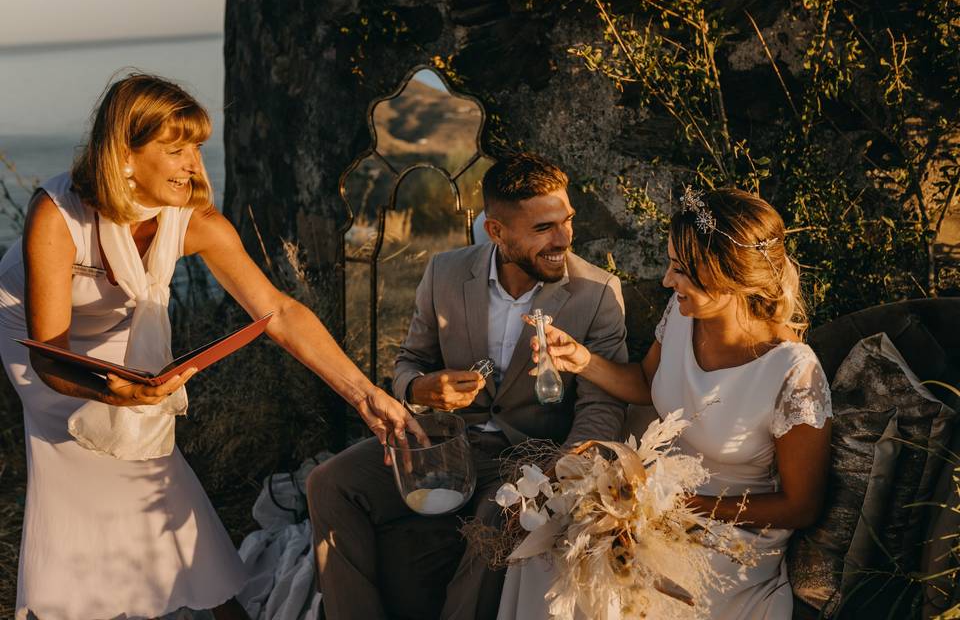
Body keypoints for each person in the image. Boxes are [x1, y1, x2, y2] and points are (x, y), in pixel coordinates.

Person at [0, 73, 422, 620]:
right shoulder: (56, 216)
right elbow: (47, 354)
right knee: (109, 460)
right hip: (36, 338)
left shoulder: (198, 223)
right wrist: (119, 397)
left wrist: (366, 395)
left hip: (116, 331)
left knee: (147, 460)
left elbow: (281, 313)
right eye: (175, 150)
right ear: (125, 156)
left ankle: (194, 599)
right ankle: (79, 600)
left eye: (197, 147)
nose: (194, 164)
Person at [306, 152, 629, 620]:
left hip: (535, 455)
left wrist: (564, 472)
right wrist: (419, 390)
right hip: (444, 443)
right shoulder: (446, 271)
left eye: (567, 221)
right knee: (329, 483)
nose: (563, 239)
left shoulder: (598, 293)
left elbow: (604, 406)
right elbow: (409, 363)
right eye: (542, 229)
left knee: (495, 514)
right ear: (497, 231)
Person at [502, 187, 833, 619]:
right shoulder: (682, 315)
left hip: (730, 536)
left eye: (681, 270)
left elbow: (801, 506)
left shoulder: (793, 372)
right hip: (655, 504)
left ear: (727, 275)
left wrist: (683, 506)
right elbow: (645, 382)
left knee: (609, 592)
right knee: (545, 554)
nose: (666, 280)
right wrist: (581, 361)